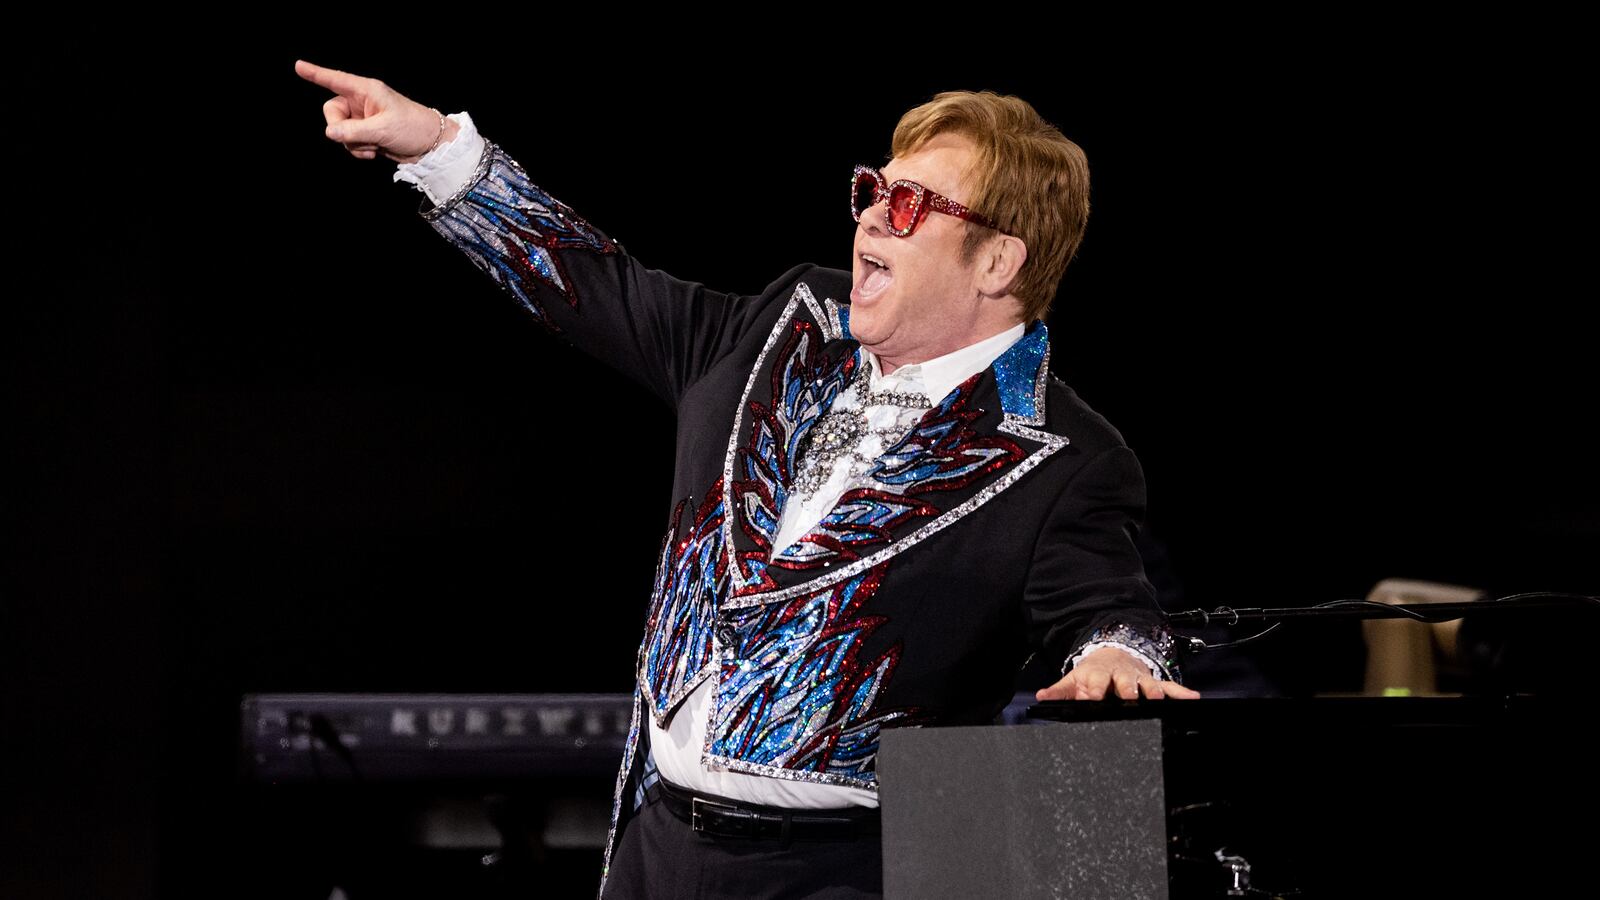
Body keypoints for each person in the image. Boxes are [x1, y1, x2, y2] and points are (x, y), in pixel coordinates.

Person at [294, 59, 1200, 900]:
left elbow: (1105, 608)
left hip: (845, 869)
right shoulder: (784, 326)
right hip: (656, 841)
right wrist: (442, 154)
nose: (873, 216)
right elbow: (598, 286)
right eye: (873, 190)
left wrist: (1117, 655)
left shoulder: (1065, 455)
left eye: (913, 204)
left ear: (999, 262)